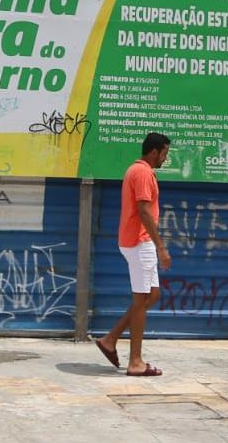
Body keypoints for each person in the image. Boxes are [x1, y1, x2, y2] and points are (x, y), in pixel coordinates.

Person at [96, 132, 171, 377]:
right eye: (164, 153)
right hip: (140, 243)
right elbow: (144, 211)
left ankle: (110, 339)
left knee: (153, 296)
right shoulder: (142, 172)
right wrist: (160, 247)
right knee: (141, 301)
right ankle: (135, 362)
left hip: (139, 242)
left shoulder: (138, 171)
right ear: (154, 151)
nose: (165, 158)